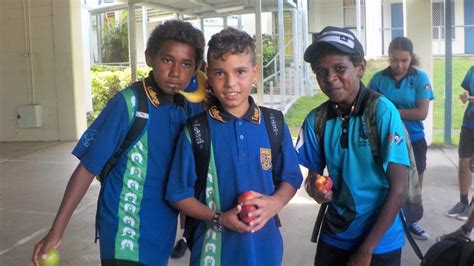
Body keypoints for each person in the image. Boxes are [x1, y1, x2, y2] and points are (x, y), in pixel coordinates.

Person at [31, 20, 205, 266]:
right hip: (125, 226)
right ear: (150, 58)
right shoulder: (129, 104)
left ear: (195, 69)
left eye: (186, 64)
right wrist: (57, 230)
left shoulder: (185, 106)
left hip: (161, 229)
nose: (175, 72)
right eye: (167, 60)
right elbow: (87, 168)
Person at [165, 27, 303, 265]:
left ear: (255, 73)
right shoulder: (197, 131)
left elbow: (291, 177)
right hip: (212, 253)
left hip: (265, 250)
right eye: (220, 73)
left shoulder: (273, 123)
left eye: (240, 72)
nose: (231, 83)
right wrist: (219, 218)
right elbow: (178, 195)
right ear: (208, 74)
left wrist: (276, 203)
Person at [296, 26, 409, 266]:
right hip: (336, 234)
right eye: (321, 71)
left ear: (360, 67)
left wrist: (366, 250)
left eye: (339, 69)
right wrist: (315, 188)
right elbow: (313, 175)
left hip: (380, 240)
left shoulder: (381, 112)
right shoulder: (316, 120)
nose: (330, 78)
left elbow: (399, 189)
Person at [368, 36, 434, 240]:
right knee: (386, 179)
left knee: (414, 180)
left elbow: (421, 113)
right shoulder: (378, 79)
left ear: (411, 58)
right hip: (385, 138)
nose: (399, 65)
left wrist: (389, 111)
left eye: (404, 60)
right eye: (395, 60)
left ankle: (411, 220)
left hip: (414, 138)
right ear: (389, 57)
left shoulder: (420, 78)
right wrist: (398, 112)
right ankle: (387, 220)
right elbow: (370, 109)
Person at [445, 66, 474, 221]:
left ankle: (472, 208)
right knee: (464, 162)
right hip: (469, 124)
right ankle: (463, 202)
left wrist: (470, 99)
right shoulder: (472, 70)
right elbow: (467, 93)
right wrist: (465, 96)